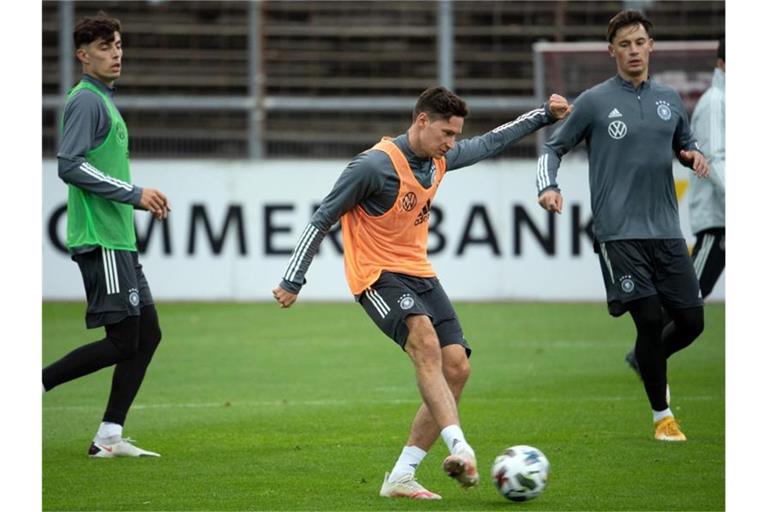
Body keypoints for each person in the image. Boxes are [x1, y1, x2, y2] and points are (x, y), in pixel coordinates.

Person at [273, 86, 571, 499]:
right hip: (376, 275)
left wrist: (543, 114)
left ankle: (401, 476)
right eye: (446, 133)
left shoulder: (438, 160)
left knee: (457, 368)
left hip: (419, 274)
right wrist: (293, 279)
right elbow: (323, 216)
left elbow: (489, 143)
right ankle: (461, 449)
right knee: (424, 341)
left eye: (455, 135)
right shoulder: (372, 167)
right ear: (422, 121)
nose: (451, 143)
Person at [536, 10, 709, 442]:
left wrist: (691, 155)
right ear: (611, 51)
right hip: (618, 232)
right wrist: (548, 187)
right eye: (625, 44)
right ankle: (662, 417)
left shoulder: (669, 99)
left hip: (667, 229)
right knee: (649, 319)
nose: (633, 50)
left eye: (640, 42)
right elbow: (551, 149)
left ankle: (645, 360)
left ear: (651, 47)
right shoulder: (594, 101)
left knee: (691, 322)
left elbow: (683, 143)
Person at [42, 12, 170, 458]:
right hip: (102, 237)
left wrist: (133, 200)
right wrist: (134, 194)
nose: (115, 53)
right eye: (103, 46)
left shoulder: (103, 100)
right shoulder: (86, 101)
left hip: (120, 239)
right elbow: (70, 164)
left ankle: (110, 436)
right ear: (82, 55)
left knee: (147, 334)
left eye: (117, 44)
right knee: (123, 341)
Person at [688, 38, 725, 299]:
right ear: (721, 64)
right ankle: (649, 343)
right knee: (687, 301)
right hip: (718, 219)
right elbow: (714, 157)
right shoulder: (715, 102)